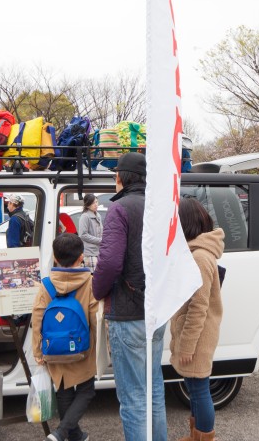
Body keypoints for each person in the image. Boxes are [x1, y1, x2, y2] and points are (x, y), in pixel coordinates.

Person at [92, 152, 167, 441]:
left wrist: (98, 291)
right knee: (154, 391)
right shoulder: (160, 207)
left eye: (115, 176)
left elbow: (110, 262)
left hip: (128, 311)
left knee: (134, 397)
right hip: (157, 309)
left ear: (121, 178)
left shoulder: (120, 208)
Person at [32, 233, 97, 441]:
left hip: (53, 348)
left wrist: (37, 350)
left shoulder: (47, 284)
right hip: (82, 349)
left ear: (55, 258)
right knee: (86, 390)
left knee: (63, 390)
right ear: (81, 257)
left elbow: (38, 317)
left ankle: (76, 436)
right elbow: (95, 318)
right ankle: (61, 433)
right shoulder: (89, 282)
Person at [170, 198, 224, 441]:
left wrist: (187, 344)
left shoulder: (199, 257)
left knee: (200, 389)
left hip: (198, 337)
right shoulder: (198, 252)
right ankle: (195, 435)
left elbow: (198, 306)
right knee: (194, 387)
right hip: (198, 334)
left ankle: (202, 437)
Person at [78, 193, 102, 272]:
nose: (95, 204)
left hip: (99, 252)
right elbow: (83, 235)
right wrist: (100, 240)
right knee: (92, 278)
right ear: (87, 205)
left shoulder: (98, 215)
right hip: (90, 253)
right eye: (93, 203)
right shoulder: (85, 216)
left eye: (96, 202)